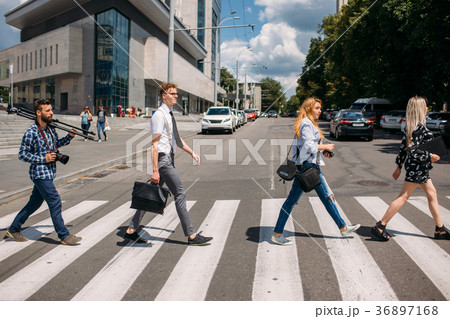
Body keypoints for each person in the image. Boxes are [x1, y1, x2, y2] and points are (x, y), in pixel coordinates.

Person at [124, 82, 213, 246]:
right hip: (163, 160)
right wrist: (155, 170)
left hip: (168, 158)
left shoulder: (170, 114)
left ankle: (131, 230)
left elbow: (177, 140)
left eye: (176, 94)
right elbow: (154, 144)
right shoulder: (159, 115)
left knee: (150, 193)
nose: (176, 96)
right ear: (164, 95)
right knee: (180, 194)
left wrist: (192, 153)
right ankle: (191, 235)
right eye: (172, 93)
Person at [272, 97, 360, 245]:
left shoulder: (308, 123)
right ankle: (342, 227)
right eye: (317, 108)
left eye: (320, 108)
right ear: (308, 109)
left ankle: (343, 227)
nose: (321, 110)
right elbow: (308, 146)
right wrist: (325, 147)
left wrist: (322, 152)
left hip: (309, 166)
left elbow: (309, 147)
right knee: (321, 198)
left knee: (305, 200)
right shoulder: (306, 124)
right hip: (308, 168)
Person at [4, 99, 82, 245]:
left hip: (49, 172)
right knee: (55, 201)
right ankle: (64, 235)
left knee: (34, 204)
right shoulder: (31, 133)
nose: (51, 113)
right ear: (39, 113)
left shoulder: (50, 130)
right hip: (40, 174)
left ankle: (14, 229)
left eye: (51, 110)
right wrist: (43, 158)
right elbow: (22, 154)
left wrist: (69, 137)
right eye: (48, 110)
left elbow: (55, 145)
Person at [371, 96, 450, 241]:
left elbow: (403, 148)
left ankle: (440, 229)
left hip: (419, 168)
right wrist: (430, 156)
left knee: (432, 194)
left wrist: (399, 166)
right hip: (417, 168)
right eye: (425, 106)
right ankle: (380, 225)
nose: (427, 108)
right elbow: (412, 151)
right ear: (419, 109)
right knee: (404, 196)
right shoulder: (418, 128)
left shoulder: (412, 126)